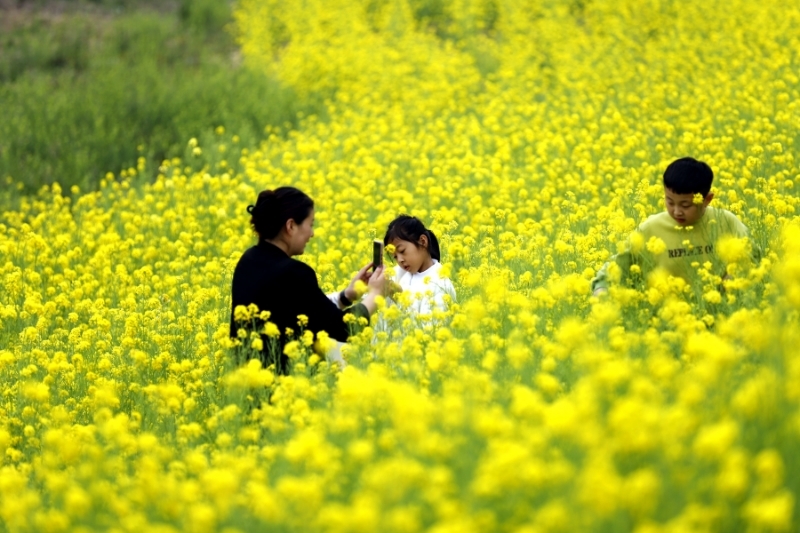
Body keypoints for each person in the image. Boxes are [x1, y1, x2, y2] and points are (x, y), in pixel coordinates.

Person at [229, 186, 389, 373]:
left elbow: (302, 313)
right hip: (284, 389)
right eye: (310, 224)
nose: (312, 233)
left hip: (247, 381)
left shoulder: (248, 260)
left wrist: (347, 295)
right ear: (290, 226)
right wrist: (376, 294)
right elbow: (343, 328)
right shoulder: (293, 272)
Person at [591, 157, 753, 296]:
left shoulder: (726, 222)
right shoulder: (651, 228)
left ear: (707, 199)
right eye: (669, 201)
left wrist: (734, 274)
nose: (676, 211)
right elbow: (615, 268)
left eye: (685, 205)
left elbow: (753, 256)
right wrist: (601, 291)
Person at [383, 215, 456, 315]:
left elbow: (430, 328)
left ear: (422, 241)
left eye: (402, 251)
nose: (400, 260)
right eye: (395, 256)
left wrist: (400, 298)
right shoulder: (401, 272)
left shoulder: (440, 283)